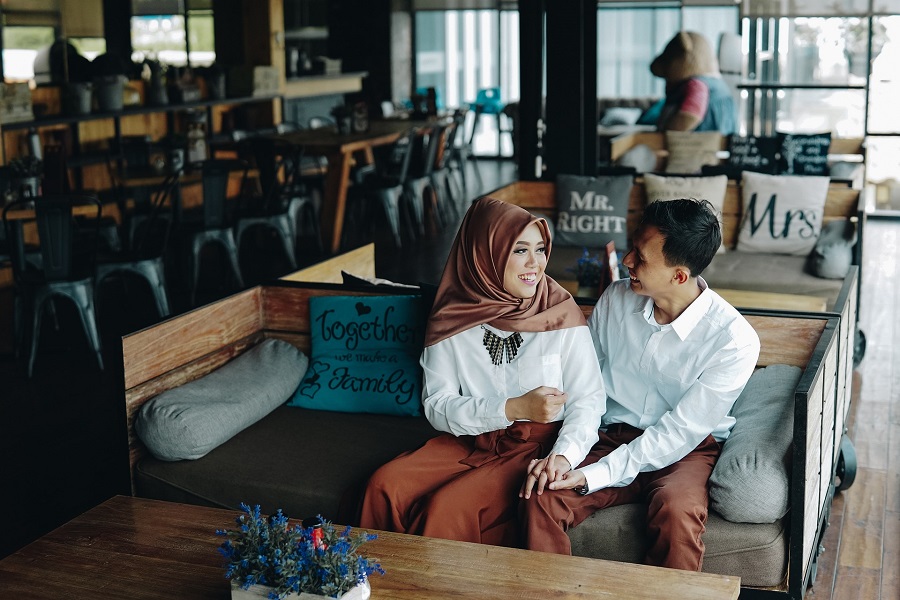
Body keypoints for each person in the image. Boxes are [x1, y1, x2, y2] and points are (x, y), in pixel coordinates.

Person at [520, 198, 760, 571]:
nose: (627, 260)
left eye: (641, 257)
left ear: (679, 276)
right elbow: (586, 388)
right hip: (609, 434)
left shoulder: (733, 340)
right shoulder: (616, 299)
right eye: (632, 247)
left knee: (677, 512)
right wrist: (566, 454)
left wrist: (593, 476)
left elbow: (680, 432)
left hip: (687, 450)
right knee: (543, 496)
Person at [358, 196, 606, 547]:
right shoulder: (452, 315)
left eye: (540, 249)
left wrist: (563, 455)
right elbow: (436, 404)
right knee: (383, 485)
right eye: (520, 250)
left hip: (534, 450)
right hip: (467, 438)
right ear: (484, 253)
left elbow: (589, 402)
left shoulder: (560, 313)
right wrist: (512, 409)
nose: (535, 264)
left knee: (447, 508)